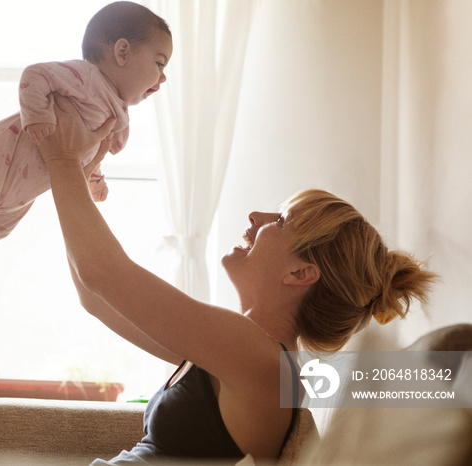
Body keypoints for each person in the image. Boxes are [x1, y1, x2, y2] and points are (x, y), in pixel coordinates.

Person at [36, 95, 439, 464]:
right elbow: (95, 296)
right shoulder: (243, 351)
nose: (255, 218)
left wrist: (63, 161)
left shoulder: (255, 356)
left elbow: (102, 273)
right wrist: (74, 175)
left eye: (280, 220)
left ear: (300, 273)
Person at [0, 1, 173, 292]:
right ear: (122, 52)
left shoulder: (116, 113)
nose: (163, 77)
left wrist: (94, 177)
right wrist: (38, 117)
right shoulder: (86, 77)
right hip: (1, 154)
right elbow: (35, 75)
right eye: (159, 63)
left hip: (24, 188)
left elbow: (88, 150)